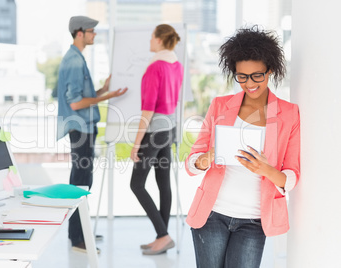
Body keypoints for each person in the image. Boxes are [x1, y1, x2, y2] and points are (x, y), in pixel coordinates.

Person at [185, 26, 300, 267]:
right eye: (242, 76)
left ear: (270, 71)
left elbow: (292, 175)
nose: (249, 83)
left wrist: (266, 169)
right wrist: (204, 159)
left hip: (253, 220)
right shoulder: (219, 105)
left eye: (257, 75)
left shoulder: (289, 113)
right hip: (212, 214)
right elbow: (192, 160)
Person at [57, 15, 127, 253]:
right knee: (81, 182)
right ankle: (78, 239)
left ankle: (78, 232)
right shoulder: (75, 61)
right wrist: (107, 97)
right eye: (91, 31)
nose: (94, 34)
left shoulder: (76, 58)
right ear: (80, 33)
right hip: (81, 128)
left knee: (82, 180)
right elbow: (76, 104)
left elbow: (82, 98)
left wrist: (102, 90)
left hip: (84, 127)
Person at [130, 24, 184, 255]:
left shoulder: (155, 68)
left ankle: (163, 236)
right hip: (169, 128)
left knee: (136, 184)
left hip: (154, 131)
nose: (149, 41)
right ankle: (162, 237)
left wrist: (136, 143)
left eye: (152, 37)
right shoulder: (177, 66)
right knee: (163, 184)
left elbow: (148, 111)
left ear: (160, 40)